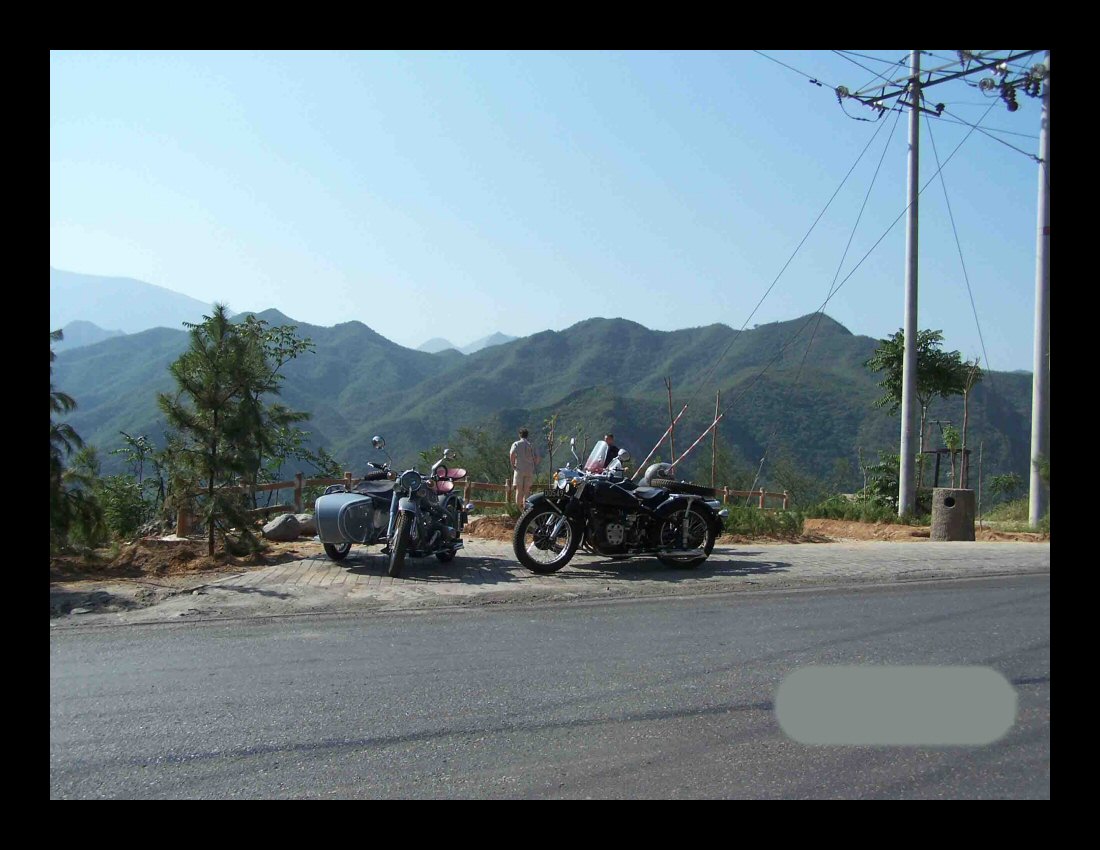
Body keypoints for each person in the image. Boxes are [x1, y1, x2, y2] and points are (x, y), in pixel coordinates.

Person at [509, 428, 541, 506]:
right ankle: (526, 509)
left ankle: (518, 509)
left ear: (519, 435)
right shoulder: (531, 445)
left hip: (519, 469)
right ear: (527, 435)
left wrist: (513, 465)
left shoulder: (516, 444)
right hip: (529, 469)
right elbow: (538, 457)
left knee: (519, 491)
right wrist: (534, 465)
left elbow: (512, 454)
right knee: (527, 491)